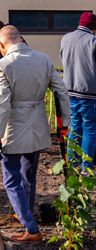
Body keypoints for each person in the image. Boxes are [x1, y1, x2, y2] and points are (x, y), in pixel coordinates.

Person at [0, 25, 70, 241]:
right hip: (37, 125)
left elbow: (3, 104)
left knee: (11, 178)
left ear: (2, 45)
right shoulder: (44, 59)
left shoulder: (4, 65)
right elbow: (61, 91)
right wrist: (64, 124)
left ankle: (30, 227)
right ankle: (26, 215)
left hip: (13, 128)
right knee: (28, 176)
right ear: (21, 38)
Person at [60, 12, 96, 173]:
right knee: (90, 132)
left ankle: (71, 165)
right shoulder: (95, 41)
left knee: (75, 129)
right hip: (91, 94)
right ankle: (86, 168)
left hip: (70, 92)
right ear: (94, 28)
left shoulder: (65, 39)